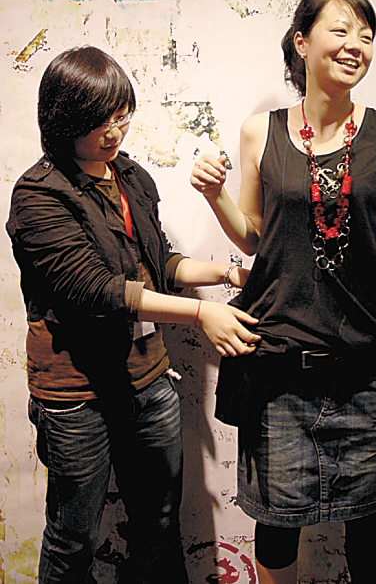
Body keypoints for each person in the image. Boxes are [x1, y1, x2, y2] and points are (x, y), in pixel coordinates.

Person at [190, 0, 376, 584]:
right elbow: (254, 238)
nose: (356, 46)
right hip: (280, 362)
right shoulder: (261, 132)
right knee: (277, 518)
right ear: (302, 43)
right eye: (342, 30)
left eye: (367, 36)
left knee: (366, 515)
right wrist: (215, 195)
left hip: (366, 361)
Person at [6, 45, 260, 584]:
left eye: (121, 116)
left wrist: (227, 274)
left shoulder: (131, 177)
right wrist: (199, 315)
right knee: (73, 539)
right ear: (64, 120)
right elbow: (98, 290)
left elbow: (157, 262)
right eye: (99, 120)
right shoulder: (37, 196)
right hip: (76, 394)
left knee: (160, 526)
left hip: (147, 379)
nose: (114, 131)